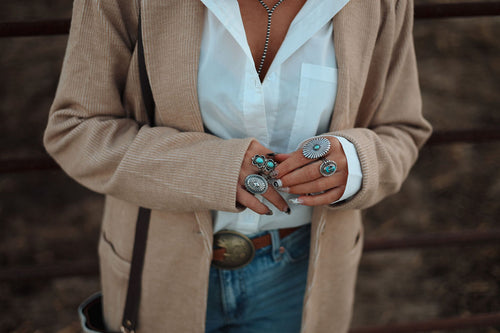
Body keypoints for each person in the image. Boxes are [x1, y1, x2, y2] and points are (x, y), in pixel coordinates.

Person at [44, 0, 431, 332]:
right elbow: (77, 130)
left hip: (303, 273)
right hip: (161, 269)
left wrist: (357, 162)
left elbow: (402, 130)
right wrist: (213, 168)